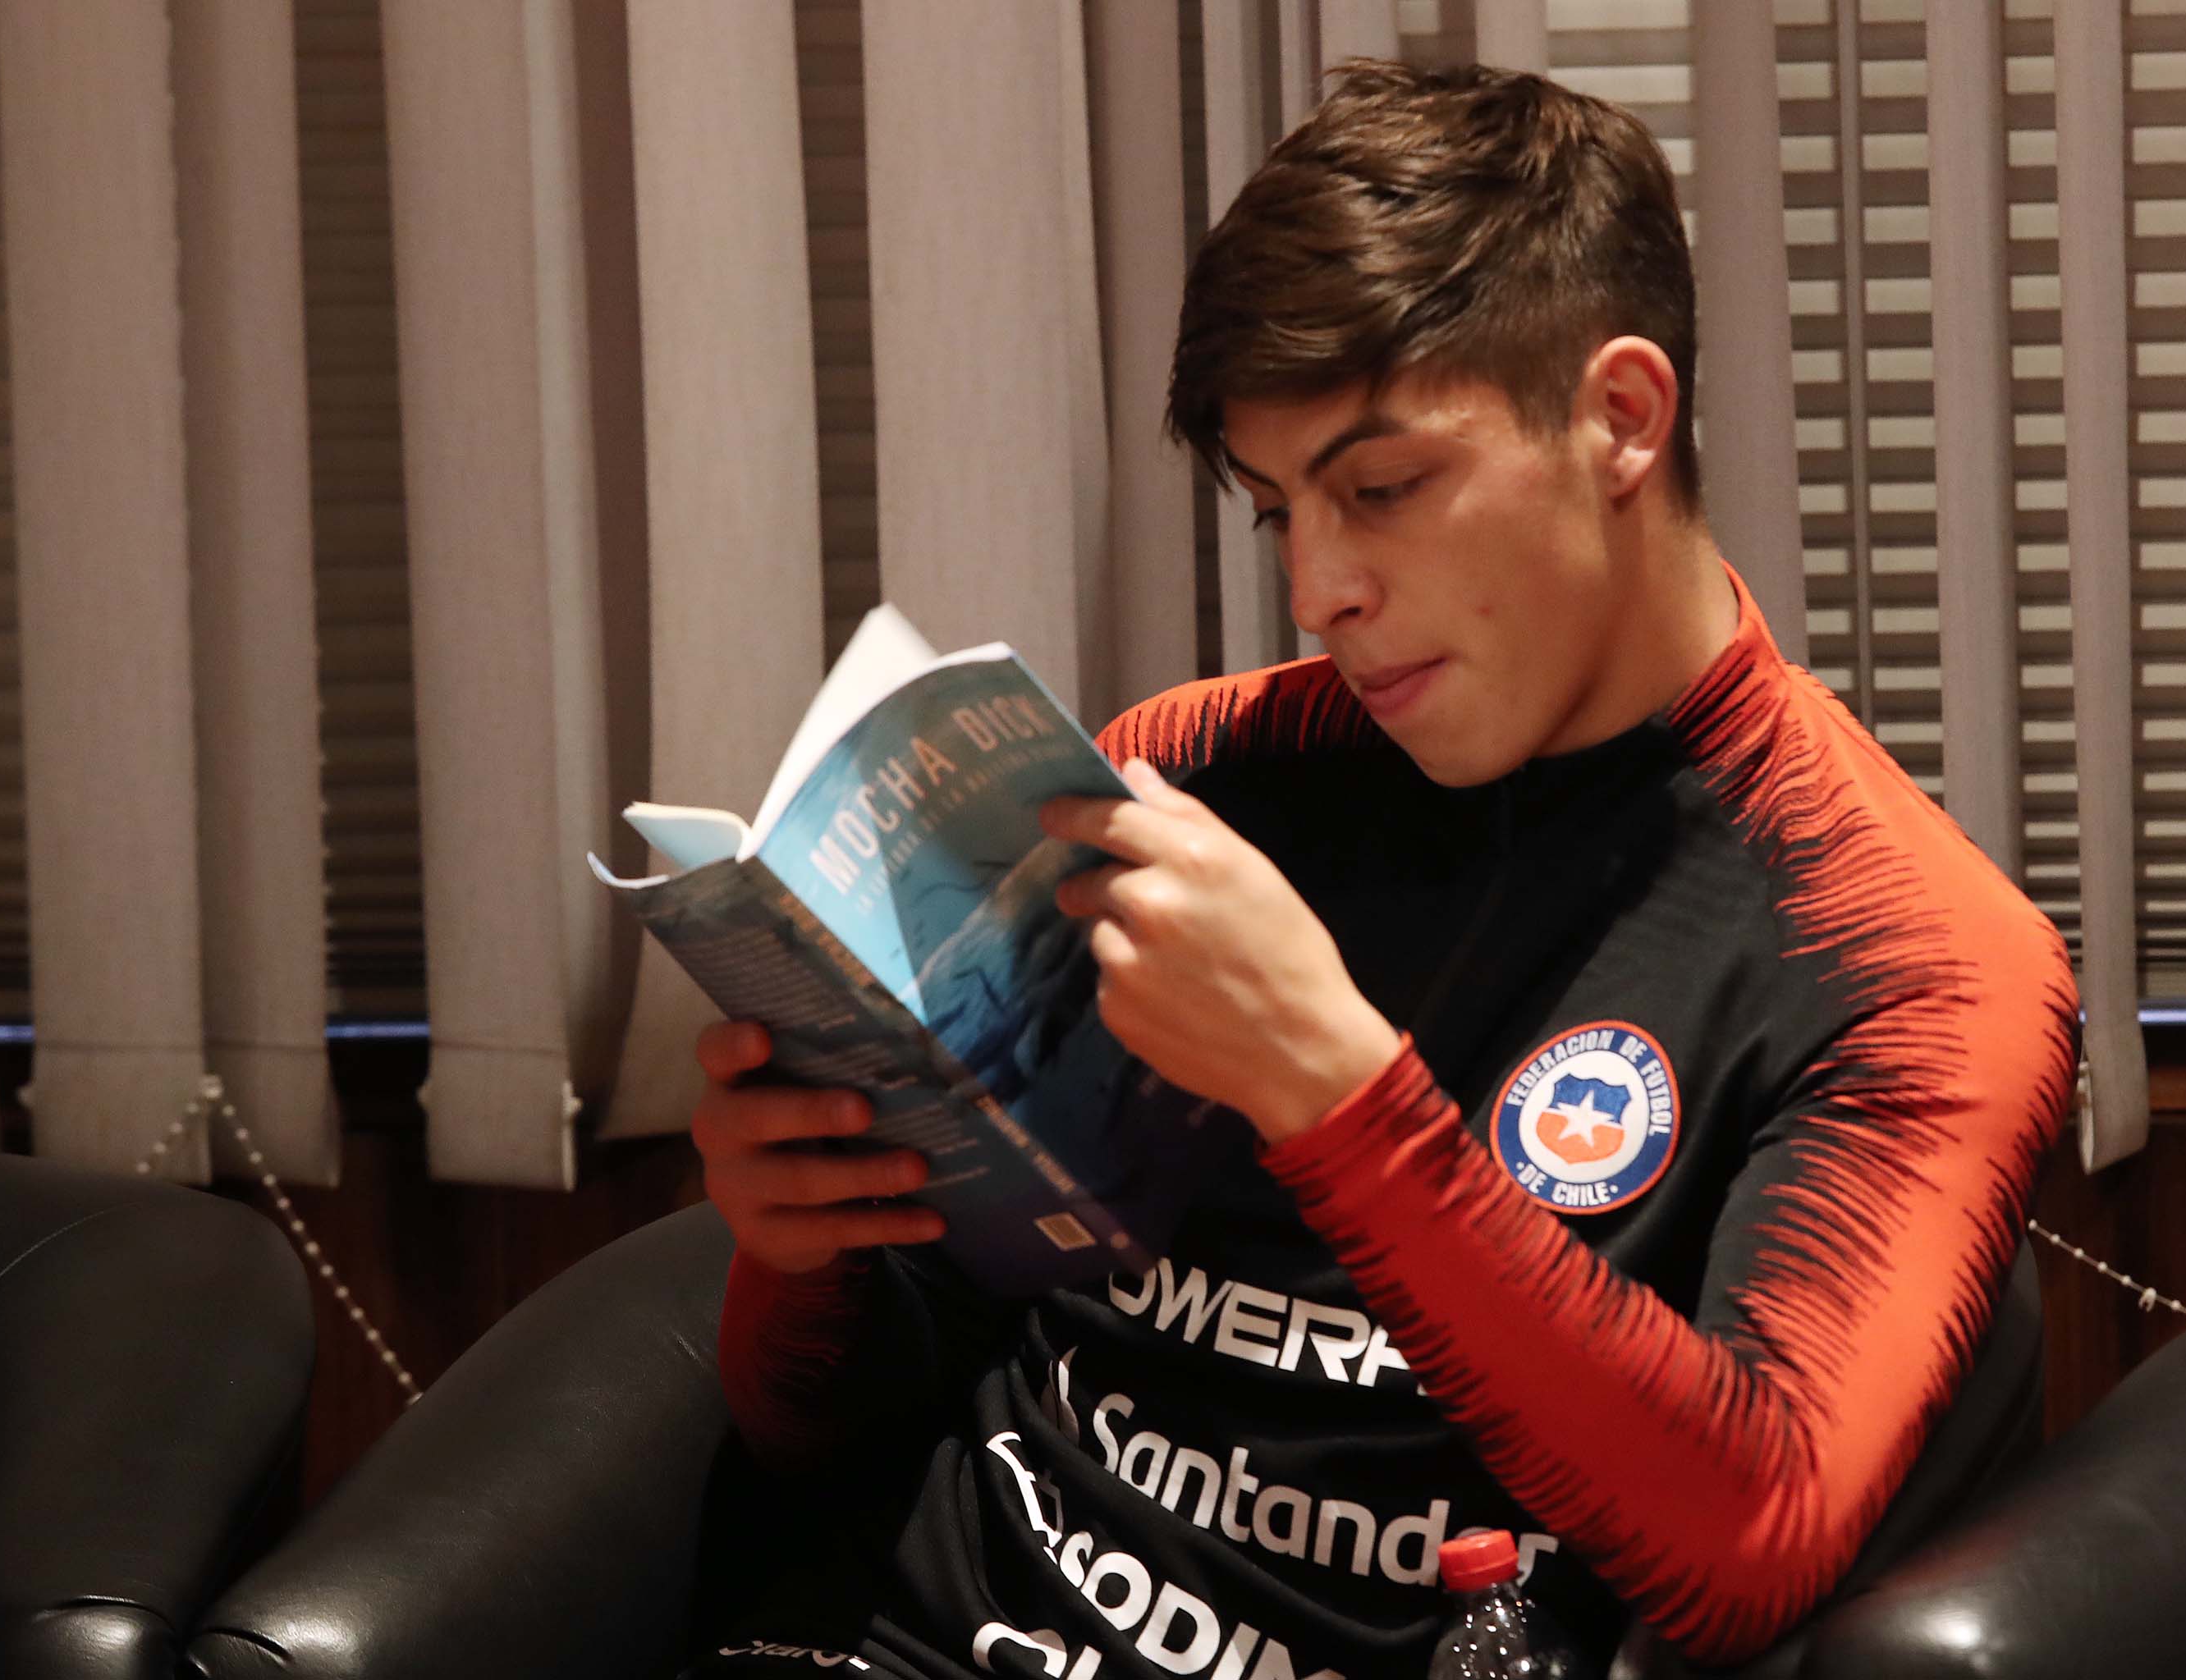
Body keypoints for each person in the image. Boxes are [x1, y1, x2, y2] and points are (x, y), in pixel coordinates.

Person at [685, 60, 2078, 1680]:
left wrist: (1333, 1089)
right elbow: (819, 1427)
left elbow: (1744, 1545)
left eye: (1382, 489)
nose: (1317, 591)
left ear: (1620, 419)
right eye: (1276, 511)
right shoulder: (1195, 773)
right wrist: (798, 1256)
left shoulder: (1908, 954)